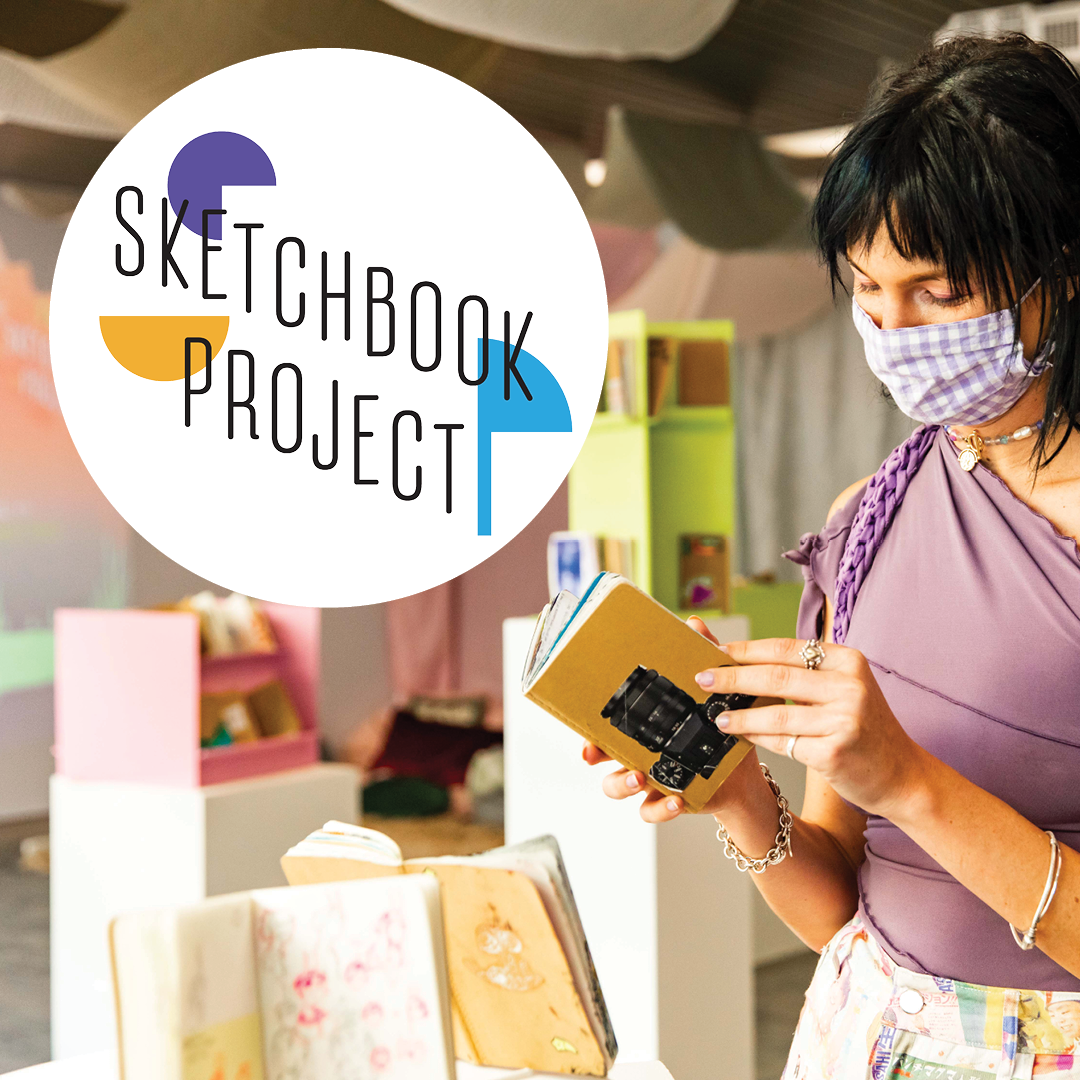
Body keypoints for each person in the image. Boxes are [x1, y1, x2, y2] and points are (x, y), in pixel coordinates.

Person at [584, 32, 1080, 1078]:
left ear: (1064, 269)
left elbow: (908, 799)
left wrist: (906, 779)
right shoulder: (869, 518)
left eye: (937, 292)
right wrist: (732, 794)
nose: (892, 329)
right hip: (868, 1036)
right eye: (865, 289)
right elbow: (835, 911)